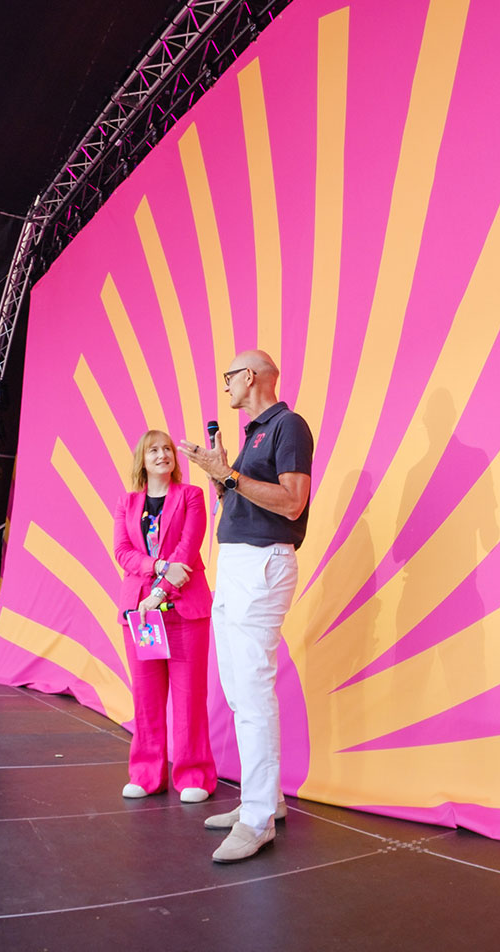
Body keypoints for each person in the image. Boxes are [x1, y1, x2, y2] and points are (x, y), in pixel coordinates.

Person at [180, 350, 312, 863]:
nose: (226, 386)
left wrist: (229, 476)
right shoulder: (256, 432)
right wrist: (220, 475)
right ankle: (267, 800)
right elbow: (240, 499)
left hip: (262, 565)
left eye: (229, 376)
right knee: (238, 688)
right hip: (236, 564)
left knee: (253, 690)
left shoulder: (288, 426)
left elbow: (292, 501)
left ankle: (257, 820)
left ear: (252, 377)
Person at [113, 429, 217, 804]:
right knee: (146, 697)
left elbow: (188, 549)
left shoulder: (191, 496)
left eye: (168, 450)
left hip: (184, 610)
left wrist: (162, 585)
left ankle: (194, 776)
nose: (162, 455)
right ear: (142, 459)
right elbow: (122, 552)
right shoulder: (127, 503)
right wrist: (156, 565)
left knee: (189, 698)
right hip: (141, 613)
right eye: (154, 450)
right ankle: (145, 774)